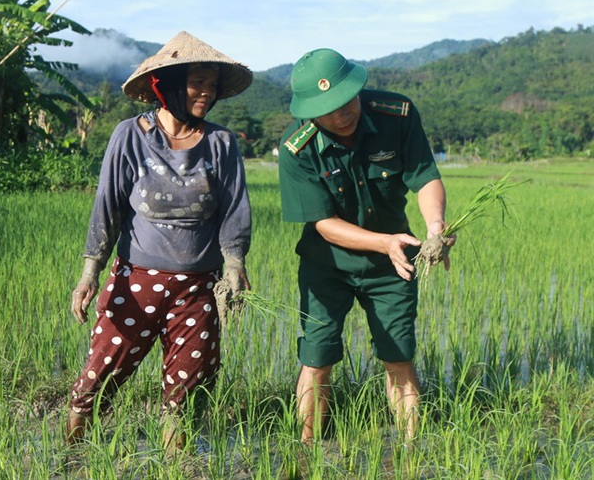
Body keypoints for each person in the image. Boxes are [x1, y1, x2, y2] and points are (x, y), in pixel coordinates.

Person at [66, 31, 253, 453]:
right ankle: (69, 456)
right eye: (197, 83)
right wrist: (89, 273)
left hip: (198, 287)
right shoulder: (130, 136)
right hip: (136, 282)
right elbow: (107, 208)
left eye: (212, 85)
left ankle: (175, 464)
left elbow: (234, 211)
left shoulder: (221, 143)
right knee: (99, 376)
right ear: (166, 86)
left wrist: (235, 266)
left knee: (186, 391)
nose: (206, 93)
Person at [278, 48, 455, 443]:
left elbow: (425, 176)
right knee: (317, 359)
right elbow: (323, 223)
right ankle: (306, 449)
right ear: (309, 111)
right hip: (328, 266)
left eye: (347, 101)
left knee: (399, 357)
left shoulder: (397, 114)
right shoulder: (296, 147)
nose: (342, 114)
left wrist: (435, 227)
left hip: (394, 265)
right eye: (328, 109)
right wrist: (383, 242)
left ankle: (412, 451)